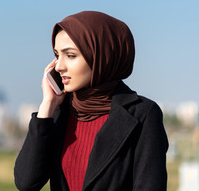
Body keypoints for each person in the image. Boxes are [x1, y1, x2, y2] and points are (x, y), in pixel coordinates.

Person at [14, 11, 169, 191]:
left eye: (70, 55)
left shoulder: (142, 114)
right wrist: (47, 105)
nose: (59, 66)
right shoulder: (59, 112)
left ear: (101, 57)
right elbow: (26, 183)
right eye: (57, 55)